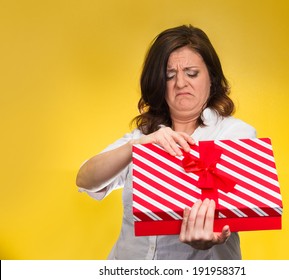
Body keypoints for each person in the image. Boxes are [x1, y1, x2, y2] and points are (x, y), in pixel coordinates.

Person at [76, 24, 256, 260]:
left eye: (192, 73)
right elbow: (85, 180)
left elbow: (240, 208)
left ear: (211, 78)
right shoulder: (142, 136)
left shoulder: (235, 134)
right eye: (170, 76)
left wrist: (208, 239)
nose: (181, 83)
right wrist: (137, 147)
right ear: (158, 84)